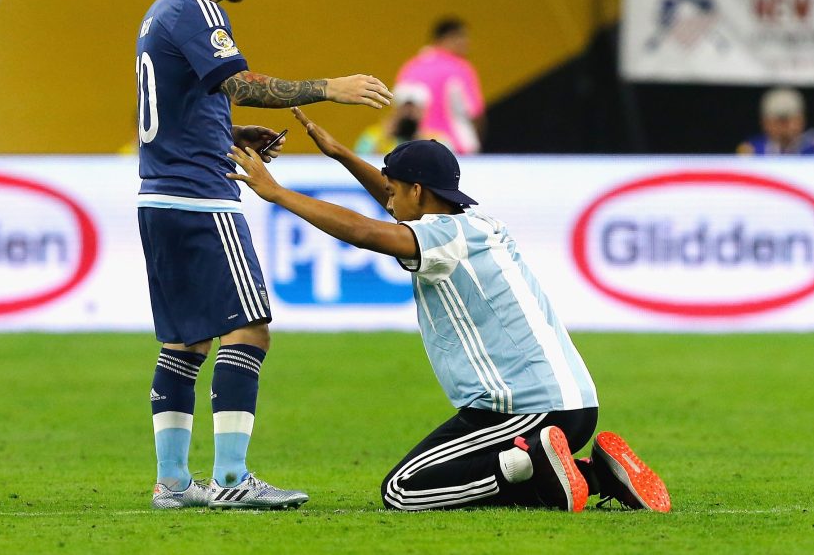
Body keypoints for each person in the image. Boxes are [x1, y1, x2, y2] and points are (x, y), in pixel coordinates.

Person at [226, 108, 672, 513]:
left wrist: (277, 193)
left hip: (527, 407)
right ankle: (596, 474)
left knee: (402, 491)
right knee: (426, 478)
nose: (389, 201)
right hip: (560, 402)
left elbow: (365, 232)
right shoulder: (475, 223)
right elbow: (389, 200)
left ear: (417, 191)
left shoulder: (442, 236)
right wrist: (341, 154)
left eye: (396, 191)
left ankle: (530, 463)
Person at [135, 0, 393, 511]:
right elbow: (241, 84)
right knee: (250, 329)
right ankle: (230, 479)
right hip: (201, 199)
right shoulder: (197, 10)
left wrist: (225, 134)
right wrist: (330, 87)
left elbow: (178, 101)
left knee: (186, 343)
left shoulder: (161, 10)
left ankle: (173, 483)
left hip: (161, 193)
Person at [394, 17, 485, 154]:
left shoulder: (410, 67)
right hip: (456, 150)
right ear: (445, 38)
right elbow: (475, 113)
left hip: (415, 149)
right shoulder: (459, 68)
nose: (467, 43)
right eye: (461, 37)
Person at [736, 87, 814, 155]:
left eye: (788, 121)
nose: (784, 127)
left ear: (801, 120)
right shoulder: (752, 149)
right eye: (777, 121)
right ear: (765, 122)